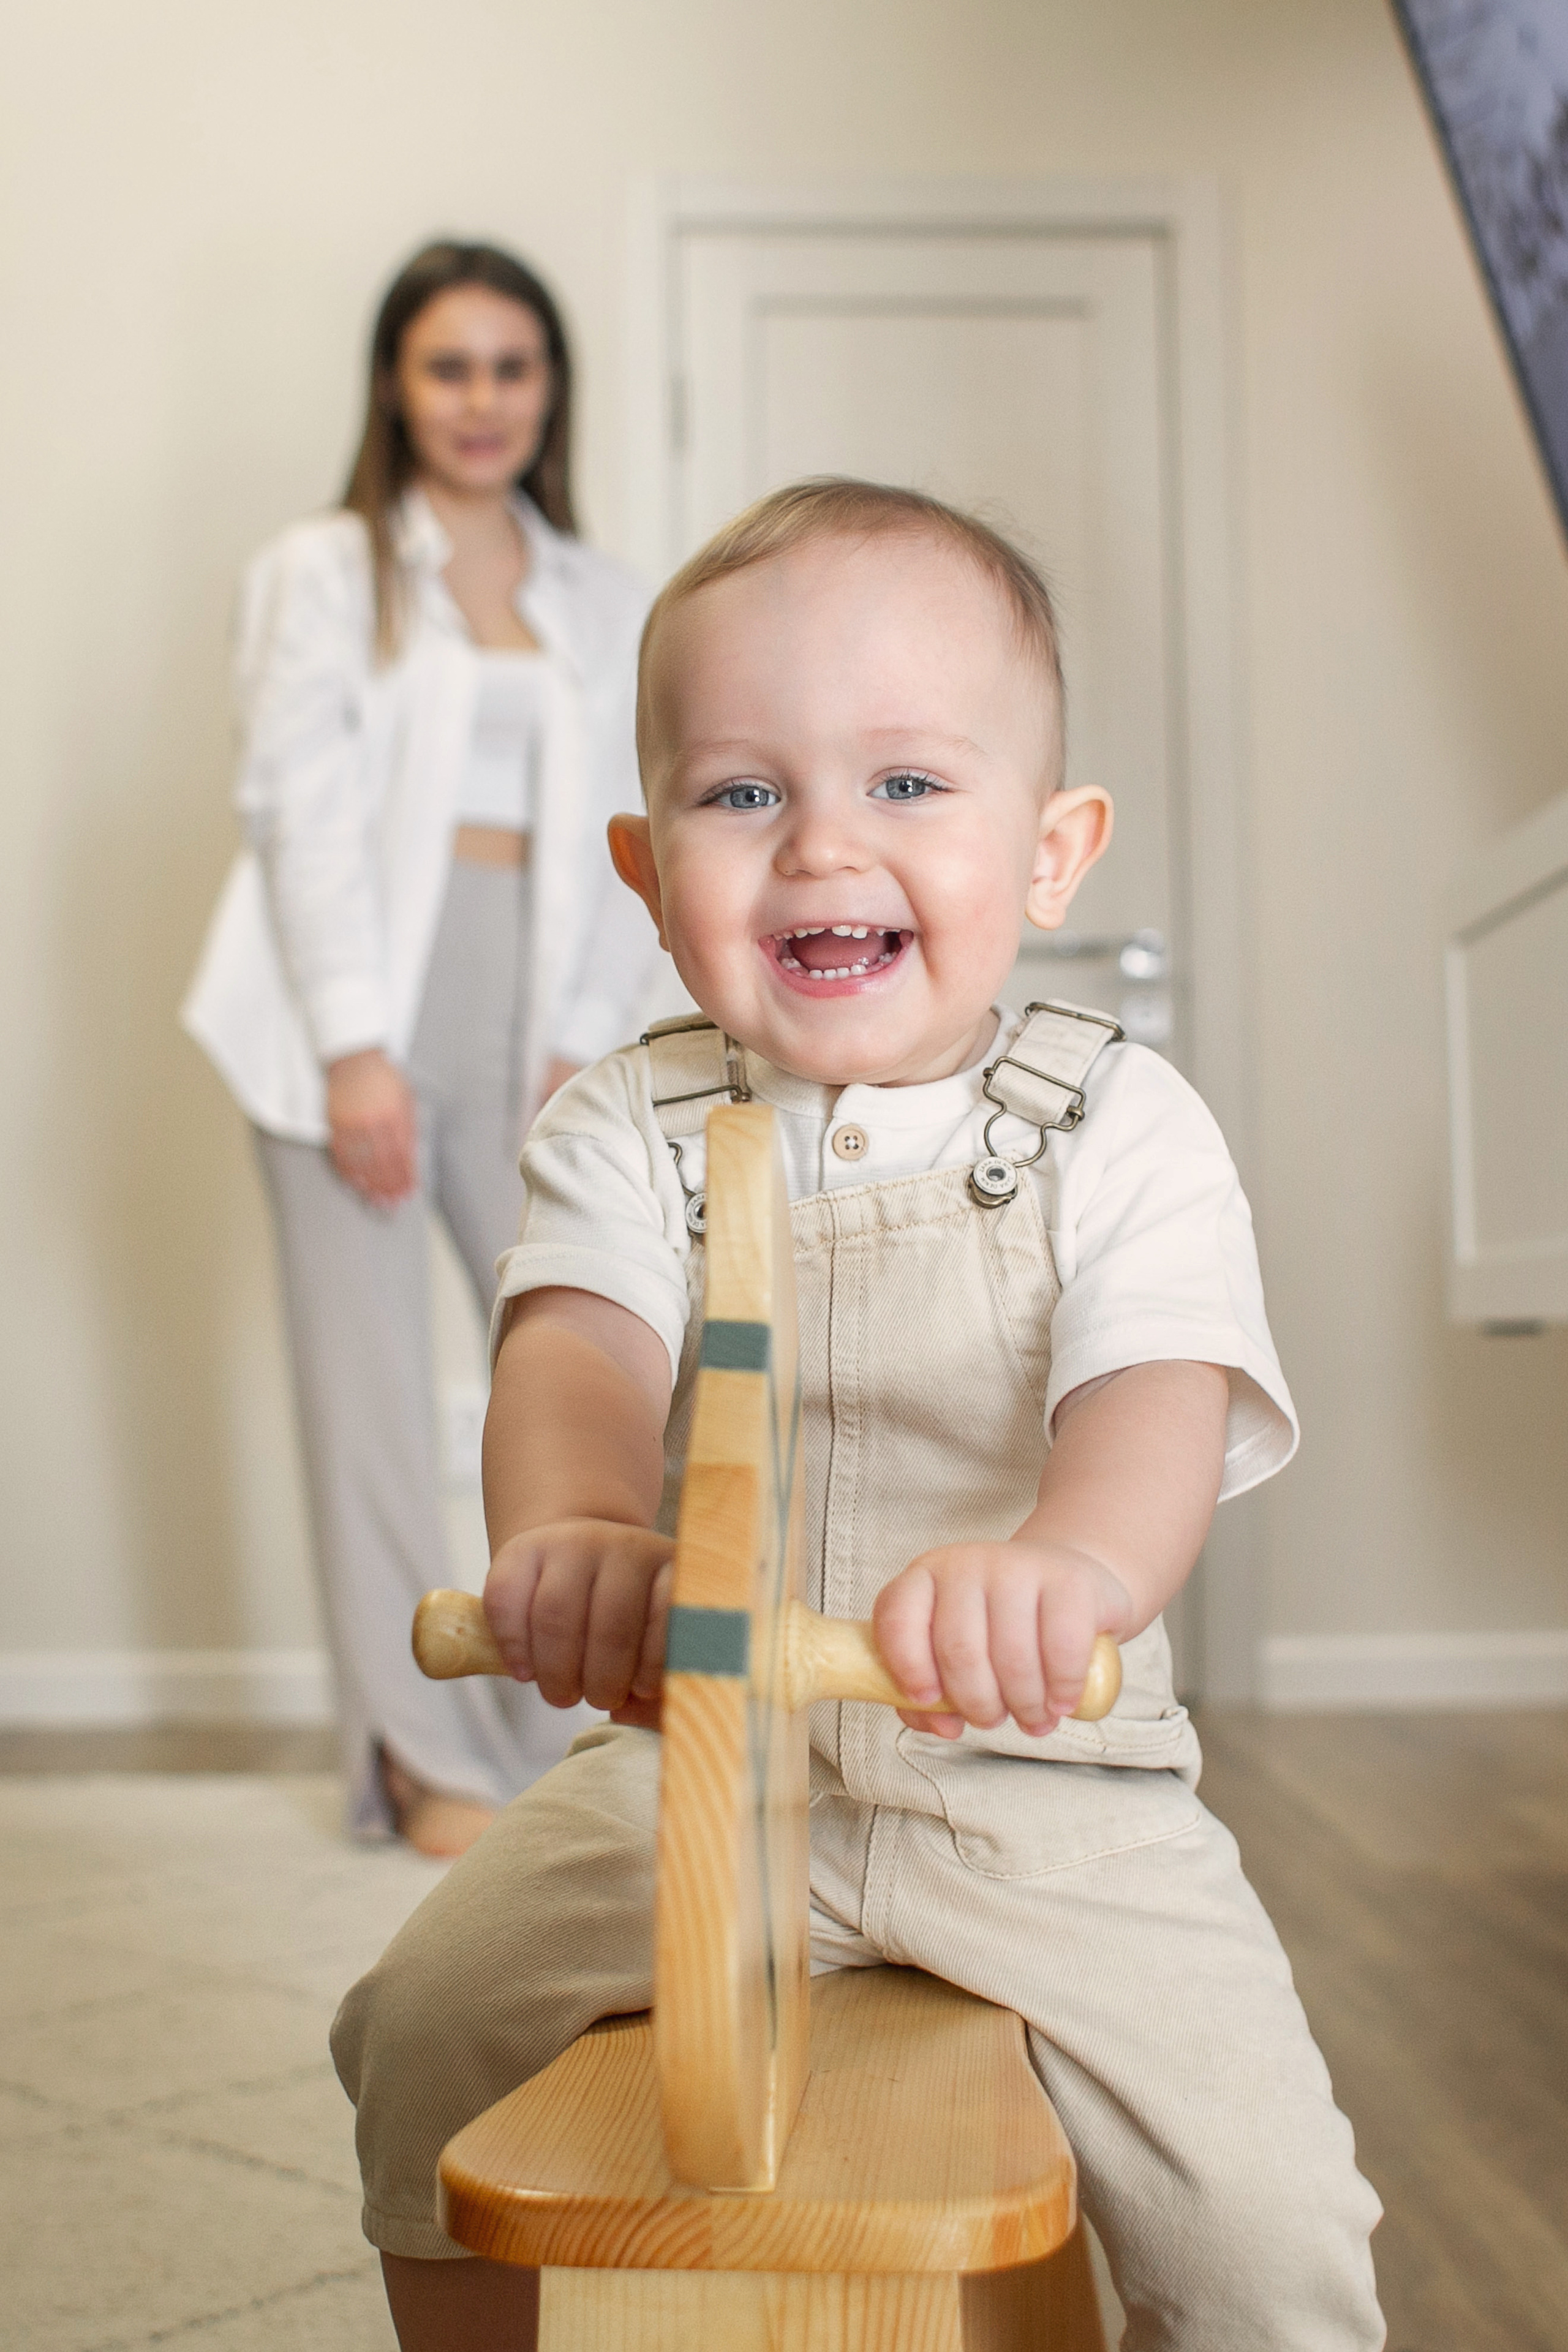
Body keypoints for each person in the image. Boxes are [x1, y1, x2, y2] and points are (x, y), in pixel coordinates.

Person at [331, 480, 1385, 2350]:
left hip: (1040, 1795)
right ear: (651, 877)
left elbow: (1155, 1392)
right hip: (696, 1776)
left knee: (1268, 2216)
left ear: (1052, 855)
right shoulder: (620, 1124)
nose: (823, 845)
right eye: (744, 794)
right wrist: (575, 1535)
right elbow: (580, 1352)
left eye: (908, 784)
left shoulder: (1120, 1124)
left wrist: (1070, 1567)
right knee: (417, 2030)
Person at [183, 241, 654, 1856]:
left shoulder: (597, 592)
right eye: (449, 367)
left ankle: (548, 1740)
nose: (482, 400)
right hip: (350, 1014)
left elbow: (622, 837)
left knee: (572, 1369)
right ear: (397, 382)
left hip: (528, 1014)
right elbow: (297, 815)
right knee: (373, 1406)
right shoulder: (324, 573)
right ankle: (415, 1756)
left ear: (551, 390)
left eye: (513, 367)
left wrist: (580, 1042)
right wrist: (355, 1052)